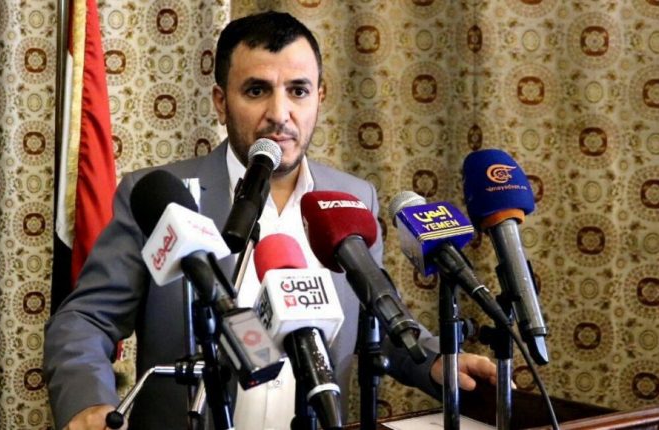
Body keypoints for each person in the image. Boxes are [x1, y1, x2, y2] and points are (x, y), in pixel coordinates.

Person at [44, 11, 497, 430]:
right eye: (256, 90)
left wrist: (435, 361)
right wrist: (88, 402)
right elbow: (86, 319)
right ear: (221, 102)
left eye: (298, 91)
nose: (280, 115)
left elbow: (376, 319)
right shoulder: (163, 197)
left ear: (319, 97)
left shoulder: (353, 199)